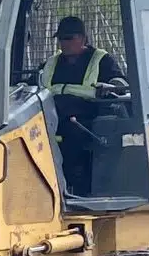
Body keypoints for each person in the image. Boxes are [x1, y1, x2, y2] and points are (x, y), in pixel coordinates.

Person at [38, 16, 127, 194]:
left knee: (74, 142)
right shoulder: (52, 63)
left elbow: (119, 83)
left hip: (86, 119)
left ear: (83, 38)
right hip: (49, 117)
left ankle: (78, 191)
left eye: (69, 38)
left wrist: (112, 87)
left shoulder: (101, 60)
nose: (64, 43)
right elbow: (35, 83)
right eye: (61, 39)